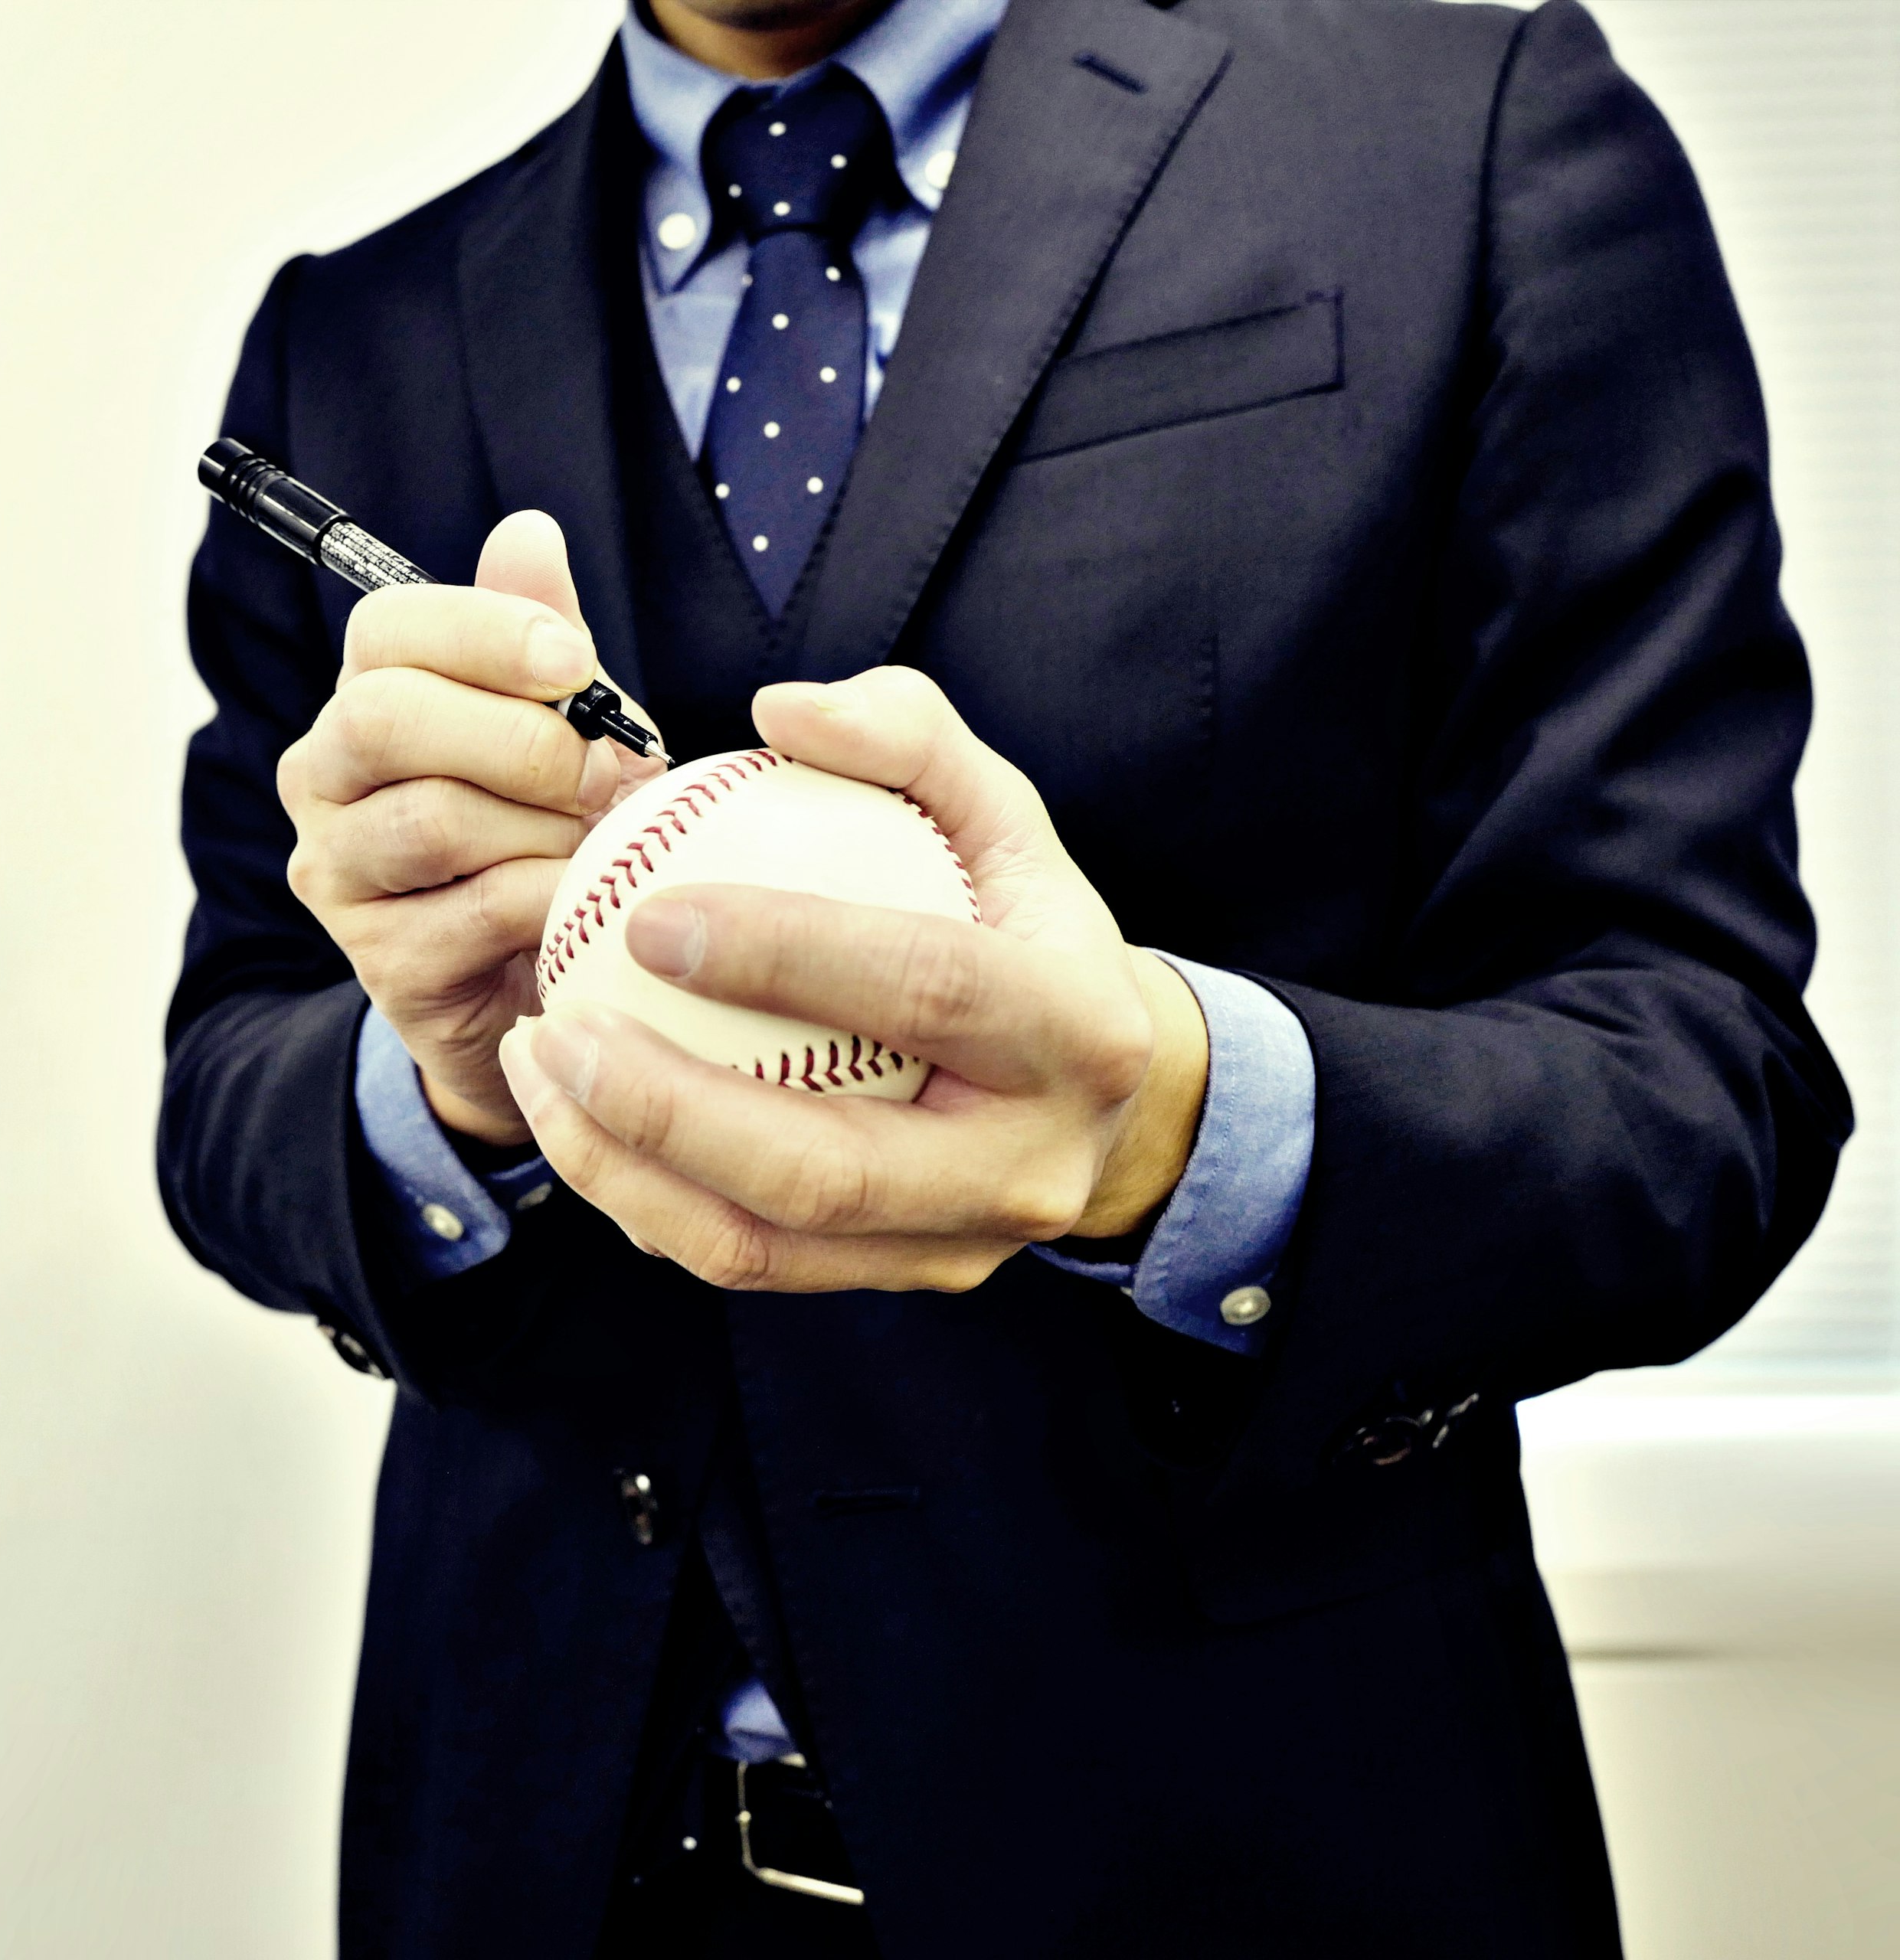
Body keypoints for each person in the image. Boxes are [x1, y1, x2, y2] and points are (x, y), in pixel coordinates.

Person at [157, 0, 1851, 1952]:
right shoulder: (353, 337)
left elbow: (1698, 1073)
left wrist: (1177, 1121)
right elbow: (227, 1080)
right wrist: (449, 1080)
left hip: (1263, 1868)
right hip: (534, 1859)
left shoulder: (1467, 135)